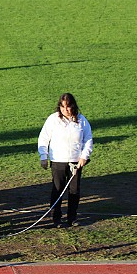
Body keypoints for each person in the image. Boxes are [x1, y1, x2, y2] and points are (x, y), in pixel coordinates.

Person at [37, 93, 93, 228]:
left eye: (68, 107)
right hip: (58, 161)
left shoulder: (82, 120)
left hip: (75, 162)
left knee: (74, 190)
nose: (65, 110)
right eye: (62, 107)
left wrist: (84, 157)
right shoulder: (53, 119)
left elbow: (88, 140)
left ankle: (72, 217)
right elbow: (43, 138)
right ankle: (56, 218)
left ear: (73, 106)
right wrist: (43, 156)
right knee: (58, 189)